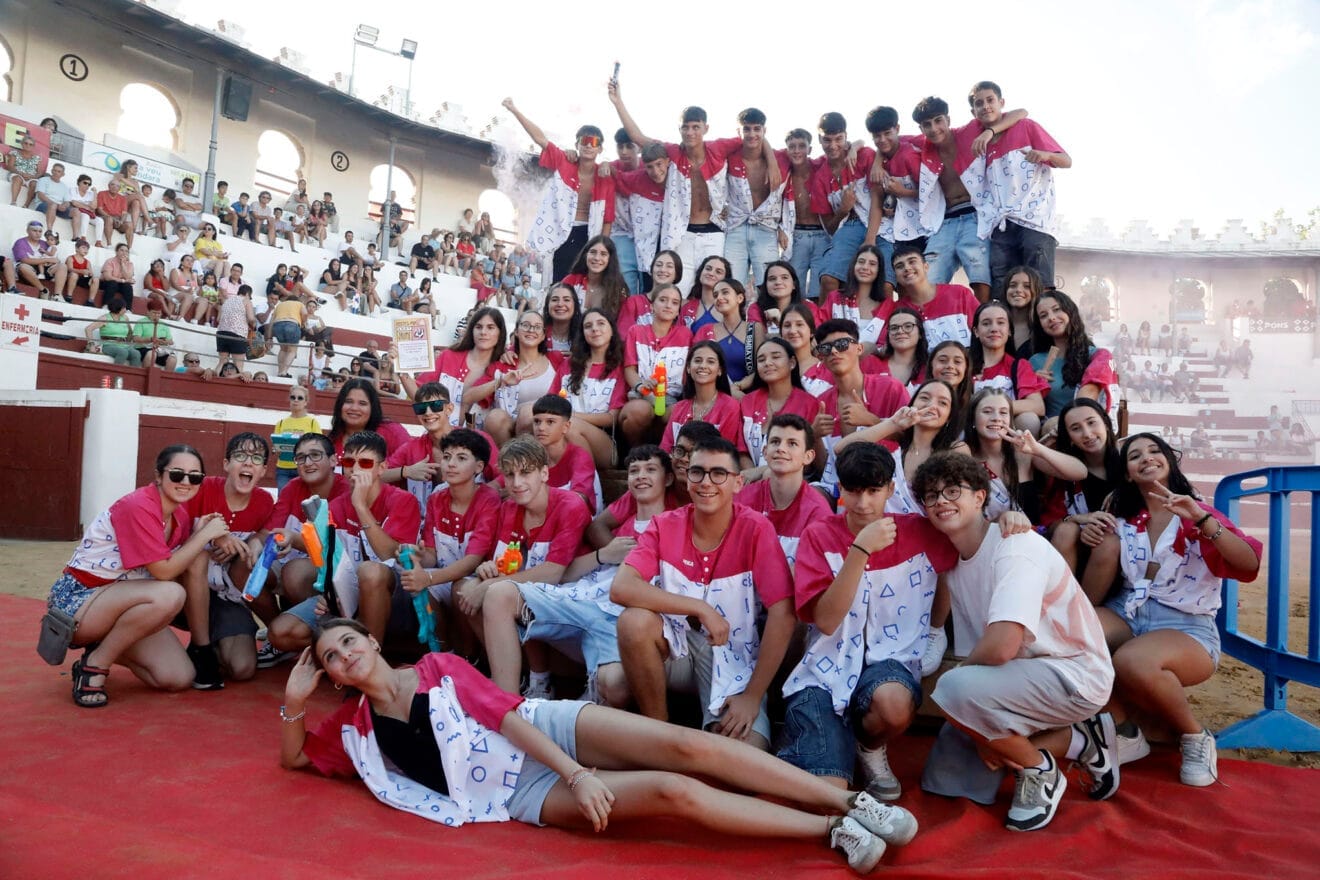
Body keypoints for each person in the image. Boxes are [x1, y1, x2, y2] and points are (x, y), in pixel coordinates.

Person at [281, 618, 915, 873]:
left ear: (370, 639)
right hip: (523, 793)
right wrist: (293, 703)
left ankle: (856, 804)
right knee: (674, 793)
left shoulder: (438, 667)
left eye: (350, 641)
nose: (345, 655)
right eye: (334, 657)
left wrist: (580, 774)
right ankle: (829, 828)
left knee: (685, 747)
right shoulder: (355, 732)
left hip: (548, 732)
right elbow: (297, 758)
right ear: (334, 675)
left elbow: (507, 719)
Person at [914, 451, 1118, 831]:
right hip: (1015, 677)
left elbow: (1003, 644)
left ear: (980, 496)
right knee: (946, 781)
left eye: (953, 490)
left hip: (1072, 673)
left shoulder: (1014, 546)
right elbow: (987, 651)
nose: (941, 500)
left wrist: (969, 712)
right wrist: (974, 723)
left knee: (954, 690)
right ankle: (1081, 742)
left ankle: (1040, 769)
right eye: (931, 495)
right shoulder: (956, 563)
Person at [1079, 434, 1261, 785]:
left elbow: (1249, 563)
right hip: (1129, 611)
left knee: (1132, 661)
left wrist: (1203, 521)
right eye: (1135, 455)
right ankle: (1125, 731)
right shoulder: (1125, 516)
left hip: (1187, 626)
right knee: (1071, 637)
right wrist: (1082, 529)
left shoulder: (1198, 510)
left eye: (1154, 451)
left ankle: (1194, 736)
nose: (1146, 458)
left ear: (1170, 460)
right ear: (1129, 473)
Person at [780, 443, 956, 797]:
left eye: (874, 491)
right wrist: (859, 550)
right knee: (826, 794)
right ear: (840, 489)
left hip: (889, 663)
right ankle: (833, 742)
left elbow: (959, 559)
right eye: (854, 491)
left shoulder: (921, 530)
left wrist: (937, 628)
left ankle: (869, 746)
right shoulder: (818, 534)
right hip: (824, 670)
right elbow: (826, 622)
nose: (863, 503)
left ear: (891, 489)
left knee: (892, 704)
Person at [611, 436, 794, 753]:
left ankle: (715, 723)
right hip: (675, 649)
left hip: (733, 657)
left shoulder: (756, 528)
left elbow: (783, 612)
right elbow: (622, 587)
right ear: (686, 476)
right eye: (697, 472)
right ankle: (659, 734)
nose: (706, 482)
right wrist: (699, 607)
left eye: (718, 474)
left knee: (744, 758)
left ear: (738, 483)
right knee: (633, 622)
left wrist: (752, 696)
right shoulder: (664, 524)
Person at [45, 444, 231, 707]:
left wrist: (204, 530)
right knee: (170, 594)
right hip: (79, 602)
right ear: (158, 476)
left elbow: (188, 556)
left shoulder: (178, 512)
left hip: (122, 605)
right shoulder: (139, 506)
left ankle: (100, 648)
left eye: (195, 477)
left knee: (178, 677)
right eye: (177, 474)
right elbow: (164, 571)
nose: (186, 482)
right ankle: (95, 667)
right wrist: (204, 535)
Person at [610, 82, 778, 295]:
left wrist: (772, 161)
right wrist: (618, 102)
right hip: (683, 233)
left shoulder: (718, 148)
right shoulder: (672, 152)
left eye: (695, 127)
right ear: (679, 129)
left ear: (705, 128)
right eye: (686, 127)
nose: (690, 132)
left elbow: (754, 136)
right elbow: (638, 137)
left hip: (714, 231)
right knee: (676, 290)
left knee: (714, 290)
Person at [268, 430, 421, 652]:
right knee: (280, 632)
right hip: (349, 594)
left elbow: (389, 555)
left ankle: (369, 661)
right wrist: (328, 594)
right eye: (349, 461)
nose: (356, 469)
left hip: (395, 596)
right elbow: (328, 557)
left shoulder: (403, 500)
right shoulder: (335, 506)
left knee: (371, 572)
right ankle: (342, 650)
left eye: (365, 463)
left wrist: (360, 505)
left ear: (382, 468)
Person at [451, 437, 591, 659]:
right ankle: (516, 671)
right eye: (509, 475)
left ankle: (531, 677)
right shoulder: (509, 508)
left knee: (493, 594)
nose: (516, 483)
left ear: (544, 474)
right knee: (463, 589)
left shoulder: (570, 505)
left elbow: (553, 573)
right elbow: (503, 563)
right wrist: (487, 569)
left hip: (570, 591)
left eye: (525, 473)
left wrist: (489, 583)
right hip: (524, 589)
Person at [177, 433, 275, 689]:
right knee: (197, 556)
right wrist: (210, 535)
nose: (248, 463)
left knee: (242, 668)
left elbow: (266, 532)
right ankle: (201, 649)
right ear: (226, 463)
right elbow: (173, 529)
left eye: (256, 458)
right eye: (240, 456)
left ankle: (211, 642)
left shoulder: (264, 501)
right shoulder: (202, 487)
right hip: (181, 593)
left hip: (224, 598)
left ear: (264, 469)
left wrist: (255, 539)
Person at [910, 95, 1025, 302]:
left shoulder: (969, 132)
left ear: (948, 120)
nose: (934, 128)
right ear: (921, 129)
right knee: (930, 279)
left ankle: (982, 322)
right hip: (944, 221)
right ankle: (933, 328)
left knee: (980, 277)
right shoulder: (922, 144)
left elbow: (1021, 113)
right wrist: (873, 159)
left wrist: (989, 131)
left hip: (975, 216)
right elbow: (887, 142)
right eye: (927, 125)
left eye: (938, 121)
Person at [396, 428, 501, 649]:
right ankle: (444, 653)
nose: (451, 464)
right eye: (446, 457)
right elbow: (432, 556)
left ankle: (469, 656)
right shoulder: (436, 499)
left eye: (461, 458)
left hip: (481, 577)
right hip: (446, 574)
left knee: (459, 588)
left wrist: (430, 578)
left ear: (479, 467)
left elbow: (473, 560)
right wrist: (416, 556)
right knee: (419, 585)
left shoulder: (488, 500)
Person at [967, 82, 1071, 292]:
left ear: (1001, 102)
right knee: (1004, 287)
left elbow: (1066, 160)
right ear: (973, 111)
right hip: (1001, 225)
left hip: (1035, 220)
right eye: (979, 103)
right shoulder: (979, 143)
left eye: (990, 100)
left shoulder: (1026, 126)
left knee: (1039, 287)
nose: (986, 106)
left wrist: (1046, 155)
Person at [504, 97, 615, 281]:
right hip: (560, 230)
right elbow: (541, 139)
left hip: (588, 233)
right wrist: (514, 110)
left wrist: (604, 248)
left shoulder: (605, 176)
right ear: (577, 145)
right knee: (558, 280)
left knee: (583, 282)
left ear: (600, 149)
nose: (588, 145)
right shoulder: (565, 161)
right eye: (584, 141)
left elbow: (608, 219)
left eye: (594, 142)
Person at [835, 380, 970, 516]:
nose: (931, 405)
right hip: (884, 529)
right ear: (912, 405)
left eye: (943, 403)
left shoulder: (956, 449)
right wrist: (893, 424)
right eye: (924, 398)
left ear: (948, 417)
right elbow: (841, 449)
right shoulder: (895, 448)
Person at [810, 319, 908, 493]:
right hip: (839, 487)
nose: (833, 351)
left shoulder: (891, 388)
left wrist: (870, 420)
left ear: (859, 349)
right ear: (821, 358)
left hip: (887, 483)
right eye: (826, 348)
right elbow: (826, 469)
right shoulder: (821, 402)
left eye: (842, 344)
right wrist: (815, 437)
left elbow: (911, 440)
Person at [962, 387, 1085, 523]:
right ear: (972, 418)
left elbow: (1080, 472)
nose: (996, 418)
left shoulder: (1022, 453)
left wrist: (1037, 448)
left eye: (1003, 413)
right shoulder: (965, 457)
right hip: (987, 540)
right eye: (987, 412)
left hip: (1032, 538)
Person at [735, 414, 832, 568]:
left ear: (808, 456)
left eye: (792, 443)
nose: (781, 448)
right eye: (775, 442)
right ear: (765, 452)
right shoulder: (742, 500)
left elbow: (812, 578)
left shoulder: (818, 511)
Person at [1047, 399, 1124, 574]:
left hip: (1123, 556)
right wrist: (1077, 520)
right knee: (1067, 530)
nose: (1087, 434)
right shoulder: (1064, 471)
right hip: (1075, 557)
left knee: (1107, 541)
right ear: (1069, 436)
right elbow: (1050, 525)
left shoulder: (1129, 463)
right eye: (1076, 428)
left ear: (1106, 422)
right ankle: (1063, 598)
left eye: (1091, 423)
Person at [809, 112, 880, 300]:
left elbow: (879, 197)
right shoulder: (820, 178)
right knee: (828, 279)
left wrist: (871, 237)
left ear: (846, 137)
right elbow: (829, 228)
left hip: (881, 222)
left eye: (838, 139)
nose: (833, 146)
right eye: (827, 140)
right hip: (848, 227)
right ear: (819, 140)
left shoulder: (864, 156)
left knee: (886, 284)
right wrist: (842, 210)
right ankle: (824, 326)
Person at [405, 307, 508, 430]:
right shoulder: (448, 356)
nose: (483, 332)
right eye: (478, 327)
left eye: (490, 327)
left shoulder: (503, 367)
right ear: (471, 330)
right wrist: (399, 370)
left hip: (480, 443)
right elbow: (419, 396)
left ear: (500, 333)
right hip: (440, 438)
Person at [549, 308, 627, 469]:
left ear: (612, 330)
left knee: (570, 427)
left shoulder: (620, 368)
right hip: (561, 430)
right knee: (528, 413)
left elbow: (611, 418)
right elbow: (550, 401)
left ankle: (587, 486)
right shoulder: (569, 364)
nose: (594, 329)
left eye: (601, 323)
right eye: (588, 326)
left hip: (604, 441)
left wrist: (571, 416)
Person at [724, 108, 791, 287]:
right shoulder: (729, 157)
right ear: (739, 131)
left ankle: (765, 316)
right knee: (732, 285)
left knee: (768, 285)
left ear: (764, 131)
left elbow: (790, 194)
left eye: (757, 129)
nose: (752, 134)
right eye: (746, 129)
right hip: (735, 227)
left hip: (766, 229)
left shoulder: (782, 158)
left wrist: (783, 227)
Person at [737, 337, 821, 480]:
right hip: (751, 482)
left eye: (775, 357)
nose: (768, 363)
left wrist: (762, 471)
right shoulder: (748, 401)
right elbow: (742, 451)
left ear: (792, 363)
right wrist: (753, 477)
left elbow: (810, 459)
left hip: (795, 481)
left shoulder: (810, 403)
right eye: (761, 360)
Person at [1029, 290, 1118, 422]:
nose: (1051, 317)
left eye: (1057, 309)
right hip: (1051, 430)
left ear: (1070, 312)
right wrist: (1035, 387)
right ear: (1040, 325)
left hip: (1087, 427)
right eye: (1043, 315)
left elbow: (1088, 397)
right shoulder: (1035, 361)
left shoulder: (1097, 356)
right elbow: (1033, 406)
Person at [621, 283, 693, 444]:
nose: (668, 305)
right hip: (641, 394)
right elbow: (629, 369)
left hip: (671, 398)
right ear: (652, 305)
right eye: (663, 300)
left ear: (678, 311)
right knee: (638, 411)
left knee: (680, 412)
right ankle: (635, 452)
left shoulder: (685, 334)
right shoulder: (636, 331)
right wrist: (642, 387)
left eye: (675, 302)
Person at [864, 106, 924, 295]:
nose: (882, 140)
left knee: (919, 281)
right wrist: (870, 239)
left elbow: (932, 194)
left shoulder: (909, 154)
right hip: (898, 229)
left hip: (923, 227)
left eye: (887, 133)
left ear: (897, 129)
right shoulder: (878, 163)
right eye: (876, 135)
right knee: (900, 282)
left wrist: (903, 192)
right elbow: (876, 201)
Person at [485, 311, 557, 445]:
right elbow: (471, 397)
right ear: (516, 331)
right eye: (526, 325)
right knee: (494, 417)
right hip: (508, 425)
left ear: (543, 335)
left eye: (537, 327)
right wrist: (500, 381)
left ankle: (530, 462)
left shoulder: (555, 360)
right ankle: (507, 462)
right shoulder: (503, 363)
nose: (531, 330)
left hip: (544, 425)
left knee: (527, 413)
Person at [612, 139, 672, 295]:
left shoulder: (679, 179)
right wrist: (605, 165)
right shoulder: (638, 178)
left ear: (668, 161)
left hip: (672, 242)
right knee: (647, 288)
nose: (655, 171)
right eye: (649, 167)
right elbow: (616, 177)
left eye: (659, 164)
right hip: (648, 245)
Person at [890, 244, 980, 348]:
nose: (907, 268)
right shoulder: (898, 310)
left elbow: (982, 329)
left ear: (926, 267)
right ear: (896, 276)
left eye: (912, 261)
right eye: (899, 266)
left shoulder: (959, 293)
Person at [662, 340, 741, 452]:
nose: (703, 366)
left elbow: (722, 451)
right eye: (698, 361)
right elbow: (665, 449)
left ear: (720, 370)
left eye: (710, 362)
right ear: (688, 368)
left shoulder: (730, 406)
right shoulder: (679, 408)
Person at [784, 128, 830, 300]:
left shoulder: (820, 166)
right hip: (797, 235)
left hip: (821, 234)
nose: (797, 151)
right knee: (795, 286)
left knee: (820, 286)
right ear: (786, 149)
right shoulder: (784, 173)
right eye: (792, 147)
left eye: (802, 146)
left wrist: (855, 146)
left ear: (810, 149)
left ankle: (819, 323)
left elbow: (849, 148)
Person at [821, 245, 890, 354]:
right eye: (861, 262)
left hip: (873, 366)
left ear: (879, 270)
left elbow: (886, 345)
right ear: (853, 265)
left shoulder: (888, 306)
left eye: (872, 264)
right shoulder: (835, 297)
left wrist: (871, 349)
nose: (865, 267)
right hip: (835, 363)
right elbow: (821, 329)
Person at [328, 378, 413, 457]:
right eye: (348, 402)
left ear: (372, 407)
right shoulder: (332, 439)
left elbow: (412, 463)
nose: (354, 408)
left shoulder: (392, 432)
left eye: (362, 403)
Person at [694, 278, 752, 388]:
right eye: (715, 295)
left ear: (739, 298)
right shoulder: (705, 330)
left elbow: (761, 367)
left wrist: (738, 388)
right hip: (713, 395)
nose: (719, 298)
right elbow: (695, 366)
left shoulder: (754, 329)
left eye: (725, 292)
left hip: (747, 395)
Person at [750, 260, 811, 352]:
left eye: (784, 277)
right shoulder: (756, 308)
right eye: (772, 279)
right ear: (765, 285)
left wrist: (780, 322)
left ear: (794, 285)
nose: (778, 282)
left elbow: (814, 342)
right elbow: (758, 345)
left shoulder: (809, 307)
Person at [273, 385, 322, 490]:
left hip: (305, 468)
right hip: (283, 468)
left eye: (300, 398)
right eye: (293, 397)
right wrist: (275, 449)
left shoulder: (312, 422)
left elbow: (319, 446)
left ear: (305, 402)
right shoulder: (281, 423)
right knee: (284, 501)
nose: (296, 400)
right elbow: (276, 449)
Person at [872, 307, 928, 391]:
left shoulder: (930, 368)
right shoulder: (871, 363)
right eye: (894, 328)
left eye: (908, 326)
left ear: (920, 333)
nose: (900, 331)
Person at [679, 254, 733, 334]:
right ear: (701, 272)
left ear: (725, 279)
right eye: (708, 269)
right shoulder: (686, 306)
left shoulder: (729, 310)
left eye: (718, 272)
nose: (711, 273)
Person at [13, 219, 67, 295]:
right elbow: (24, 260)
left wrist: (54, 261)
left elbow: (54, 257)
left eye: (40, 231)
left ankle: (57, 295)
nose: (38, 234)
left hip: (44, 269)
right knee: (23, 267)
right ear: (27, 231)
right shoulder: (20, 242)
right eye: (34, 231)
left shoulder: (45, 243)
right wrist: (46, 260)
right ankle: (43, 290)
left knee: (62, 266)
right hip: (29, 268)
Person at [85, 296, 141, 366]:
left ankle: (133, 375)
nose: (126, 310)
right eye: (124, 308)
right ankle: (116, 374)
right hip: (108, 345)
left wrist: (130, 343)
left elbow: (130, 332)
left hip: (124, 345)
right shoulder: (105, 318)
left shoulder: (125, 318)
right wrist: (91, 345)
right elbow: (88, 329)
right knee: (123, 352)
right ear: (118, 308)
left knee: (136, 353)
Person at [214, 283, 257, 375]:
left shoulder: (227, 300)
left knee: (222, 362)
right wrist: (254, 325)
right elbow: (251, 319)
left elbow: (218, 319)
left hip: (221, 332)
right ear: (248, 294)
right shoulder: (246, 301)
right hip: (238, 334)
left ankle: (215, 380)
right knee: (238, 365)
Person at [133, 300, 177, 370]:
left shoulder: (164, 324)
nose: (156, 315)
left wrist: (161, 341)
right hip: (144, 348)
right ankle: (146, 377)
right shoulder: (141, 322)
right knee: (152, 354)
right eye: (154, 313)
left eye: (158, 313)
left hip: (160, 349)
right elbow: (136, 338)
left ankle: (166, 380)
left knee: (172, 360)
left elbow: (170, 341)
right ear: (148, 312)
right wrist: (150, 339)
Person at [5, 130, 44, 206]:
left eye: (30, 144)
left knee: (34, 183)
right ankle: (13, 202)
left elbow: (40, 172)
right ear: (22, 144)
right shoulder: (15, 153)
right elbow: (10, 166)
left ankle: (26, 205)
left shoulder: (37, 158)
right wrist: (20, 173)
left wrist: (32, 176)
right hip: (17, 174)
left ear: (33, 146)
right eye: (26, 143)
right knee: (18, 178)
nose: (28, 145)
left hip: (31, 177)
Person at [32, 162, 72, 231]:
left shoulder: (64, 186)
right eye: (55, 170)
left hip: (58, 208)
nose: (56, 173)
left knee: (76, 212)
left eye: (59, 171)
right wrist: (55, 204)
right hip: (43, 205)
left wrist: (64, 206)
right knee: (53, 205)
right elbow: (41, 195)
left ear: (63, 174)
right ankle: (49, 230)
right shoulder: (43, 180)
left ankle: (76, 237)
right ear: (51, 171)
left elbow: (67, 201)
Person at [64, 237, 98, 303]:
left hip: (82, 279)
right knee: (74, 275)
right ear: (77, 248)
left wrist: (91, 275)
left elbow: (90, 272)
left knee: (96, 279)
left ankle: (90, 301)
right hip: (71, 278)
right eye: (83, 248)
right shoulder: (71, 258)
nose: (86, 250)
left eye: (87, 249)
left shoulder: (87, 262)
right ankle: (69, 296)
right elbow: (70, 269)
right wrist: (81, 271)